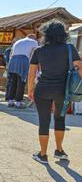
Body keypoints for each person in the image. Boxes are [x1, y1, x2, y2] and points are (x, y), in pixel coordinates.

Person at [28, 20, 81, 164]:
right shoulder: (70, 49)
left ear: (46, 34)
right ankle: (59, 150)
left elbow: (31, 74)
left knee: (44, 121)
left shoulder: (39, 50)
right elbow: (79, 69)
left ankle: (43, 155)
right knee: (60, 119)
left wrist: (30, 90)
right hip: (62, 90)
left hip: (42, 89)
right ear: (64, 34)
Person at [6, 34, 38, 108]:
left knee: (13, 81)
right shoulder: (34, 42)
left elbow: (11, 53)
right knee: (21, 81)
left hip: (13, 60)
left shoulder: (18, 41)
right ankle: (18, 102)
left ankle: (10, 101)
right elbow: (34, 55)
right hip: (23, 60)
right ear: (33, 38)